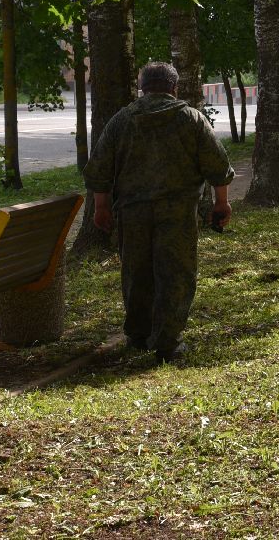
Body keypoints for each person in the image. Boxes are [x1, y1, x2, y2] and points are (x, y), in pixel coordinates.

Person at [83, 62, 234, 362]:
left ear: (142, 88)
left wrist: (101, 208)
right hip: (177, 213)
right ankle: (167, 342)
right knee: (176, 274)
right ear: (174, 88)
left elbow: (99, 169)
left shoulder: (122, 120)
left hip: (132, 212)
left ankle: (137, 334)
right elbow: (217, 165)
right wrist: (221, 203)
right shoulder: (191, 119)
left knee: (136, 272)